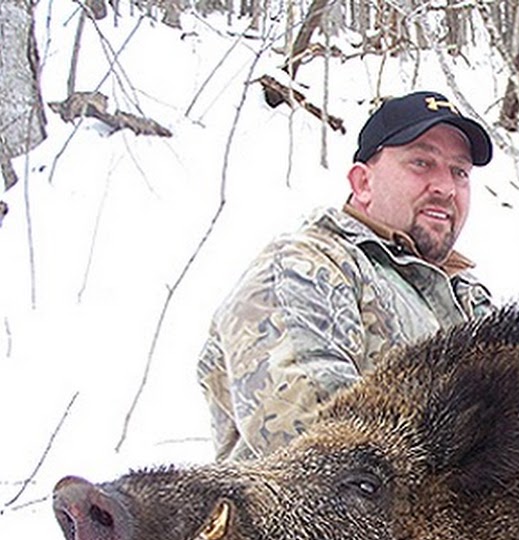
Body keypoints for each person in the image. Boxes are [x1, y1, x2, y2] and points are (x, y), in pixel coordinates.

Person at [198, 90, 494, 461]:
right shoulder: (303, 267)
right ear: (362, 183)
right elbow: (324, 446)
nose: (445, 187)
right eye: (421, 163)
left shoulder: (468, 299)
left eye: (459, 172)